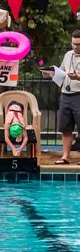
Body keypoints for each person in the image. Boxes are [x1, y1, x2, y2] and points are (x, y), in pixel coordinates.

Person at [42, 30, 80, 164]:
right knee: (65, 128)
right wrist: (50, 73)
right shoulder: (68, 54)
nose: (76, 47)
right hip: (65, 95)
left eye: (79, 44)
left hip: (79, 95)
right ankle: (65, 156)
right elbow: (62, 71)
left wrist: (78, 77)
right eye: (74, 44)